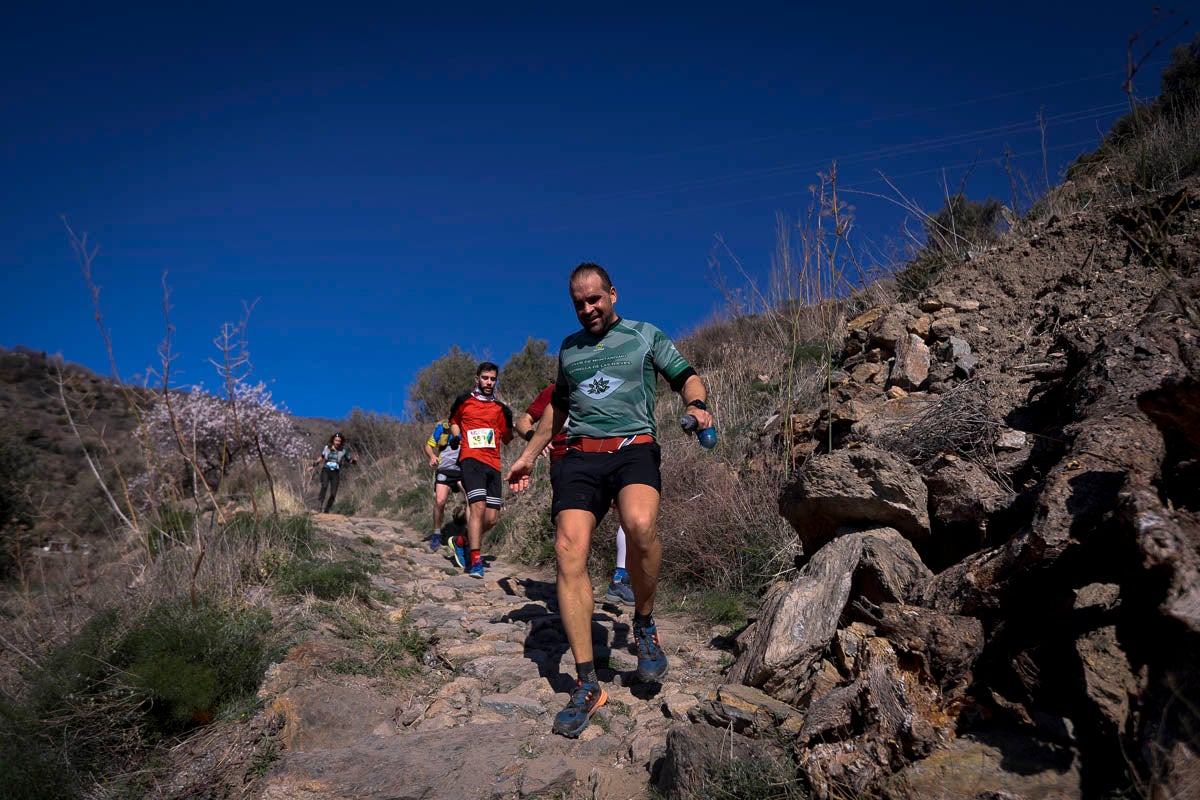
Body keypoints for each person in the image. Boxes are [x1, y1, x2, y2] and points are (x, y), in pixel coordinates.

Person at [507, 263, 713, 739]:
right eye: (579, 302)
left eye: (595, 299)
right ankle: (587, 684)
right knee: (567, 550)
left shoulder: (644, 335)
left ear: (613, 294)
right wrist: (529, 456)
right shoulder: (569, 349)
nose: (587, 309)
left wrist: (696, 405)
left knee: (640, 527)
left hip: (633, 448)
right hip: (579, 457)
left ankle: (643, 623)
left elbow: (686, 376)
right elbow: (558, 407)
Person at [515, 383, 634, 606]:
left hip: (606, 455)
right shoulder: (553, 391)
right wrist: (536, 438)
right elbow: (522, 422)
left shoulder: (603, 384)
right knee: (572, 528)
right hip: (565, 459)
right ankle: (573, 587)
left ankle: (621, 577)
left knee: (631, 512)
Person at [447, 362, 514, 578]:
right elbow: (454, 422)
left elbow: (507, 439)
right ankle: (476, 560)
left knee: (492, 518)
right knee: (477, 508)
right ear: (477, 378)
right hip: (470, 460)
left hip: (493, 464)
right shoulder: (464, 400)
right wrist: (456, 436)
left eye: (493, 379)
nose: (489, 382)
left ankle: (461, 540)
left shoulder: (501, 409)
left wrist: (511, 422)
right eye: (485, 378)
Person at [423, 419, 462, 551]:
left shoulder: (469, 427)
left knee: (471, 501)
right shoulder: (442, 428)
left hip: (463, 470)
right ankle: (436, 534)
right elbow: (428, 446)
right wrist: (432, 456)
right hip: (444, 469)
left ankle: (466, 536)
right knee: (440, 501)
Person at [310, 432, 358, 513]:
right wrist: (314, 465)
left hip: (335, 472)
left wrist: (354, 460)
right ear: (333, 440)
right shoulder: (327, 448)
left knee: (333, 493)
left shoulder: (343, 451)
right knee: (324, 486)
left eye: (339, 441)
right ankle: (319, 505)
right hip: (326, 470)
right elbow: (321, 457)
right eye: (336, 440)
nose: (337, 442)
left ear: (341, 442)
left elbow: (350, 460)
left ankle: (327, 509)